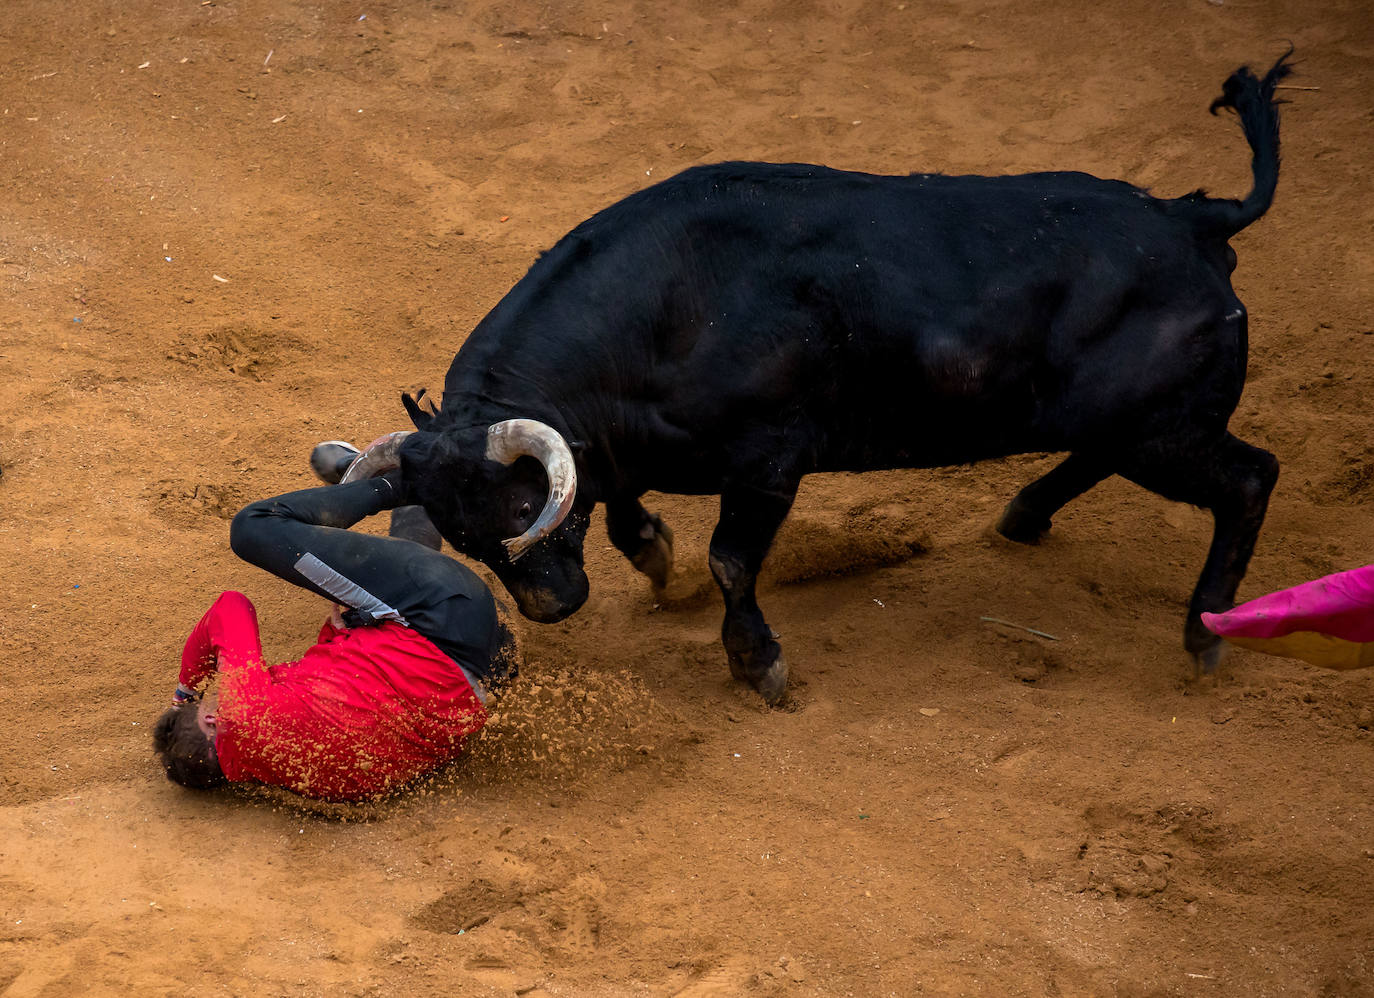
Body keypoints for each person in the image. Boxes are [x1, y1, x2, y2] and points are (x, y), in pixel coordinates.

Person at [152, 440, 518, 802]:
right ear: (212, 722)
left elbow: (355, 707)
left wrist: (343, 632)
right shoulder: (245, 715)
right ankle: (404, 479)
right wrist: (186, 691)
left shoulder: (303, 780)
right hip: (445, 612)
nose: (218, 696)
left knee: (368, 607)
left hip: (490, 667)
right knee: (251, 529)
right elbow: (230, 607)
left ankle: (414, 498)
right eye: (209, 705)